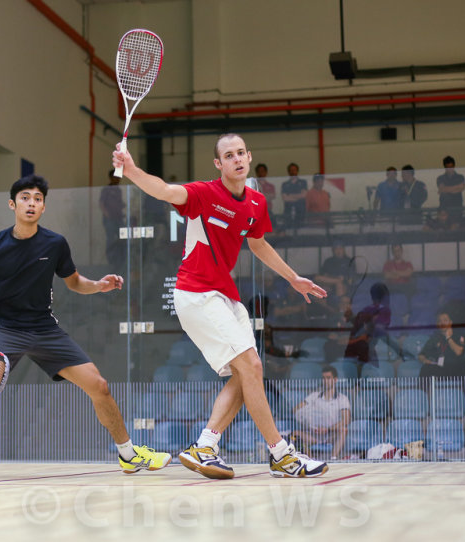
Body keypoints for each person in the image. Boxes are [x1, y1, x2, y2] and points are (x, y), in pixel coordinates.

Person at [113, 133, 329, 478]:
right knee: (252, 366)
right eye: (229, 155)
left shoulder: (257, 202)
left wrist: (293, 278)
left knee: (247, 375)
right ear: (219, 164)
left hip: (226, 298)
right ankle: (282, 455)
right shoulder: (203, 194)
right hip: (196, 294)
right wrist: (133, 169)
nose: (237, 159)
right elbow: (165, 190)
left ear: (249, 156)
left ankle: (205, 446)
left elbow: (258, 245)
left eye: (242, 152)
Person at [0, 175, 171, 479]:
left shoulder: (55, 243)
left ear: (43, 207)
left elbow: (74, 282)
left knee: (99, 386)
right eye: (25, 198)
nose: (31, 203)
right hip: (5, 330)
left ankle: (128, 454)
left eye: (37, 199)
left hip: (45, 329)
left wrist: (98, 285)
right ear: (12, 204)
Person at [290, 366, 350, 460]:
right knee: (295, 434)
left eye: (328, 378)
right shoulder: (314, 396)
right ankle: (310, 460)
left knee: (344, 430)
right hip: (313, 435)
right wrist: (309, 421)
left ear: (335, 380)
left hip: (331, 435)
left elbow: (346, 420)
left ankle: (333, 458)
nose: (325, 381)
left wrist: (328, 429)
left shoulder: (342, 399)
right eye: (323, 378)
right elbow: (295, 410)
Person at [343, 282, 392, 368]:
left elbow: (379, 329)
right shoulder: (366, 311)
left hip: (366, 347)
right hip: (359, 348)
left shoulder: (383, 311)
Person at [418, 311, 465, 378]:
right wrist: (425, 360)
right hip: (440, 367)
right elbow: (421, 355)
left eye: (445, 320)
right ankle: (423, 388)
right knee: (425, 368)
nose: (442, 323)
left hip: (456, 367)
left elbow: (459, 352)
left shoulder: (459, 336)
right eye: (440, 321)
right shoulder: (434, 338)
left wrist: (448, 338)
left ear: (450, 322)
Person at [99, 170, 126, 268]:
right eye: (116, 177)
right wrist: (107, 215)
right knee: (110, 239)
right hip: (110, 219)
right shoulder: (106, 189)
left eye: (119, 177)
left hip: (119, 218)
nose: (118, 179)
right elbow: (101, 204)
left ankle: (121, 259)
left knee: (123, 238)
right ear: (111, 178)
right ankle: (111, 260)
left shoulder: (119, 190)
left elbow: (119, 203)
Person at [281, 162, 308, 230]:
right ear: (288, 172)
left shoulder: (303, 182)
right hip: (288, 212)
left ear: (297, 171)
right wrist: (298, 196)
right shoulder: (285, 184)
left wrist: (290, 195)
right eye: (291, 170)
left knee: (301, 230)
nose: (293, 172)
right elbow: (285, 198)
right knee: (289, 230)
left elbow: (304, 195)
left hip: (301, 211)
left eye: (294, 170)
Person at [253, 163, 277, 229]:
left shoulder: (270, 186)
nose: (261, 173)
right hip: (256, 211)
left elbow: (272, 196)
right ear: (256, 173)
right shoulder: (253, 185)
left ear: (266, 172)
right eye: (259, 172)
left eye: (262, 171)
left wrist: (261, 196)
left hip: (268, 210)